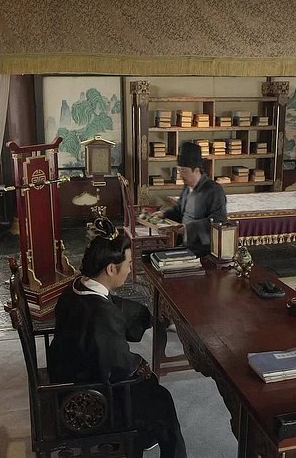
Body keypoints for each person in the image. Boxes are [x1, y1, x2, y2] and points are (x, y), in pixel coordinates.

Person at [48, 217, 187, 458]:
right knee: (160, 399)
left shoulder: (77, 287)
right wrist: (139, 364)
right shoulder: (101, 316)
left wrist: (147, 317)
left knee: (149, 385)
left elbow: (113, 308)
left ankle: (142, 437)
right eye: (129, 264)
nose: (131, 268)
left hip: (68, 372)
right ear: (111, 269)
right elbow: (117, 366)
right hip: (86, 395)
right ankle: (141, 439)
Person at [154, 141, 227, 256]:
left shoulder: (214, 190)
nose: (181, 175)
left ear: (196, 170)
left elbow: (219, 220)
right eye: (179, 170)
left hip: (203, 247)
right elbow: (179, 209)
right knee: (152, 256)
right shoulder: (188, 187)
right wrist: (163, 213)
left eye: (184, 171)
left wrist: (187, 228)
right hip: (184, 242)